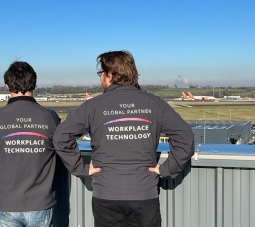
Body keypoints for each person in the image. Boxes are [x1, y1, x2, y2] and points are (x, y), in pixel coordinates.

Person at [53, 50, 194, 227]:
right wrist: (167, 169)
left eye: (101, 74)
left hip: (106, 194)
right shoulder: (154, 103)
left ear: (110, 75)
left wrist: (81, 169)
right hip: (144, 194)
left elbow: (60, 137)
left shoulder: (93, 106)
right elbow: (185, 138)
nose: (100, 79)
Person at [0, 61, 60, 227]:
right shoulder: (50, 117)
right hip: (40, 204)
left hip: (7, 203)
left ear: (7, 86)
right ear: (34, 84)